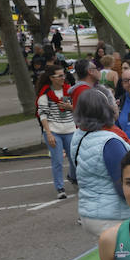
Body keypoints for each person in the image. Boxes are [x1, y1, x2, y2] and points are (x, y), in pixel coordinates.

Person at [73, 87, 130, 237]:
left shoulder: (78, 136)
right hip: (113, 216)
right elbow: (123, 185)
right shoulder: (109, 141)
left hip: (90, 212)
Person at [36, 65, 77, 198]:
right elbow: (43, 115)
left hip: (70, 129)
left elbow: (79, 108)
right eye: (59, 76)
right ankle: (60, 188)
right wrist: (48, 133)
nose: (63, 78)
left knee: (75, 158)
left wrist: (70, 107)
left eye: (63, 75)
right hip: (54, 130)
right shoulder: (45, 94)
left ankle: (73, 177)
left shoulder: (70, 91)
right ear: (51, 78)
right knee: (57, 160)